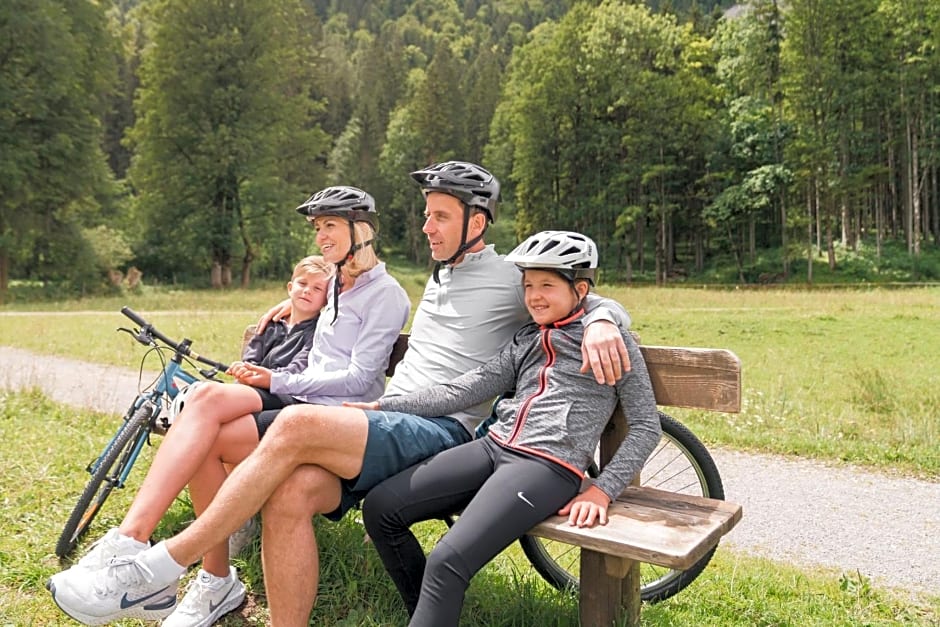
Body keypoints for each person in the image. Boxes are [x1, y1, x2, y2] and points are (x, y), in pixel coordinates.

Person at [46, 161, 632, 627]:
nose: (426, 227)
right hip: (394, 421)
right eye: (426, 215)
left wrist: (605, 318)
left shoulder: (508, 275)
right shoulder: (440, 272)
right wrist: (294, 304)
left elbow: (578, 290)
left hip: (446, 431)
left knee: (297, 428)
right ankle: (213, 584)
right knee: (286, 489)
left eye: (440, 217)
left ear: (477, 223)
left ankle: (158, 564)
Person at [48, 185, 410, 627]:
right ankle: (144, 545)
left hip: (332, 417)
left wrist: (278, 377)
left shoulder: (386, 294)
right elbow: (310, 293)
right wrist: (285, 304)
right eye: (318, 228)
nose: (320, 237)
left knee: (208, 429)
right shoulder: (335, 281)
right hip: (298, 398)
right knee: (201, 405)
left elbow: (357, 378)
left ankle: (203, 574)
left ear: (361, 230)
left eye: (329, 226)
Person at [355, 230, 662, 625]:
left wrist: (603, 490)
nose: (534, 295)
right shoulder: (527, 338)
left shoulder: (608, 341)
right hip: (493, 447)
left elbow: (645, 425)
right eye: (528, 285)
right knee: (381, 508)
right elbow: (462, 390)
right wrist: (383, 404)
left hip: (545, 466)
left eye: (547, 285)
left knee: (448, 560)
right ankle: (428, 614)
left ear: (580, 289)